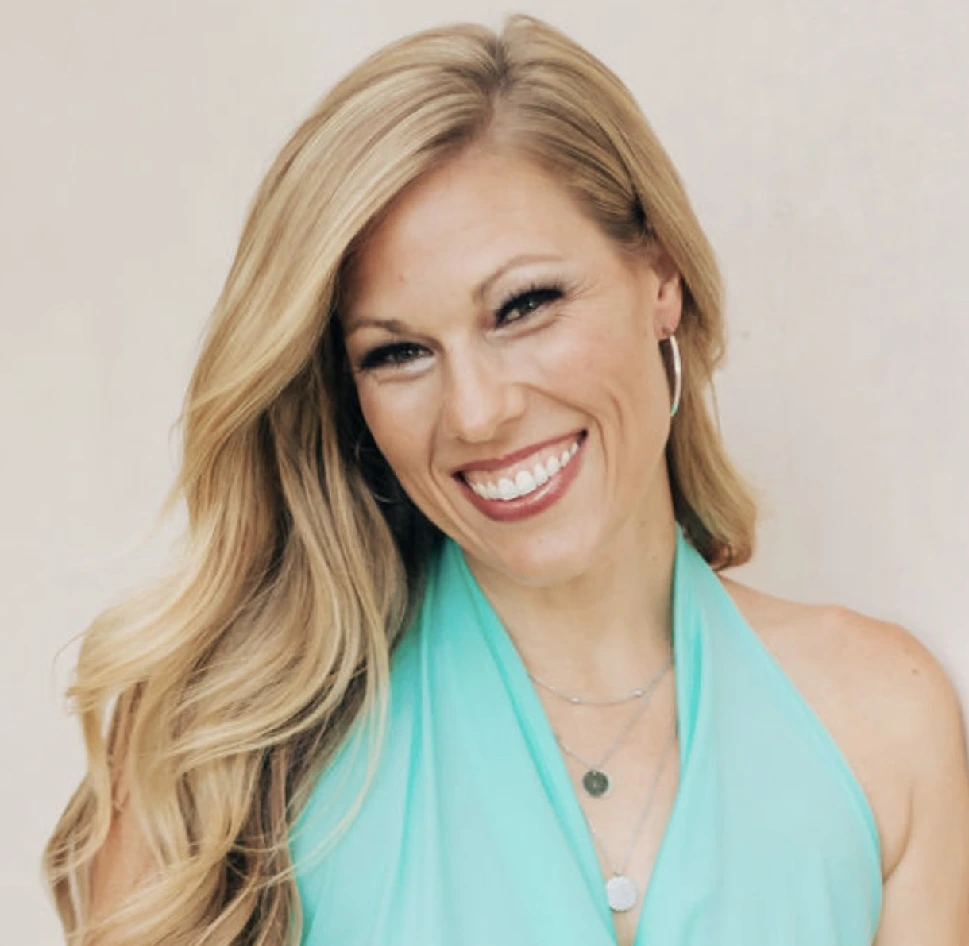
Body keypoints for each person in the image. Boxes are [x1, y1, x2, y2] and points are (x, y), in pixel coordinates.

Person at [43, 13, 969, 946]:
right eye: (398, 352)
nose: (477, 412)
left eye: (524, 306)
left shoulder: (882, 720)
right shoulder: (227, 760)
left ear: (661, 277)